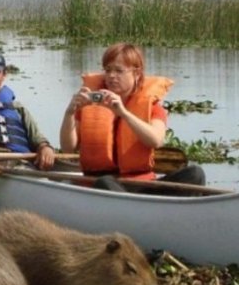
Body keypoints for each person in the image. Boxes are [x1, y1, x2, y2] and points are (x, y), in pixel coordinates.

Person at [59, 42, 205, 192]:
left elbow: (156, 140)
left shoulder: (153, 107)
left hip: (143, 186)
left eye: (118, 71)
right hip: (101, 186)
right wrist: (69, 113)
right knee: (105, 182)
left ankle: (149, 209)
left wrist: (124, 114)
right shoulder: (89, 104)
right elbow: (67, 147)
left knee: (195, 174)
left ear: (136, 74)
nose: (111, 76)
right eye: (108, 70)